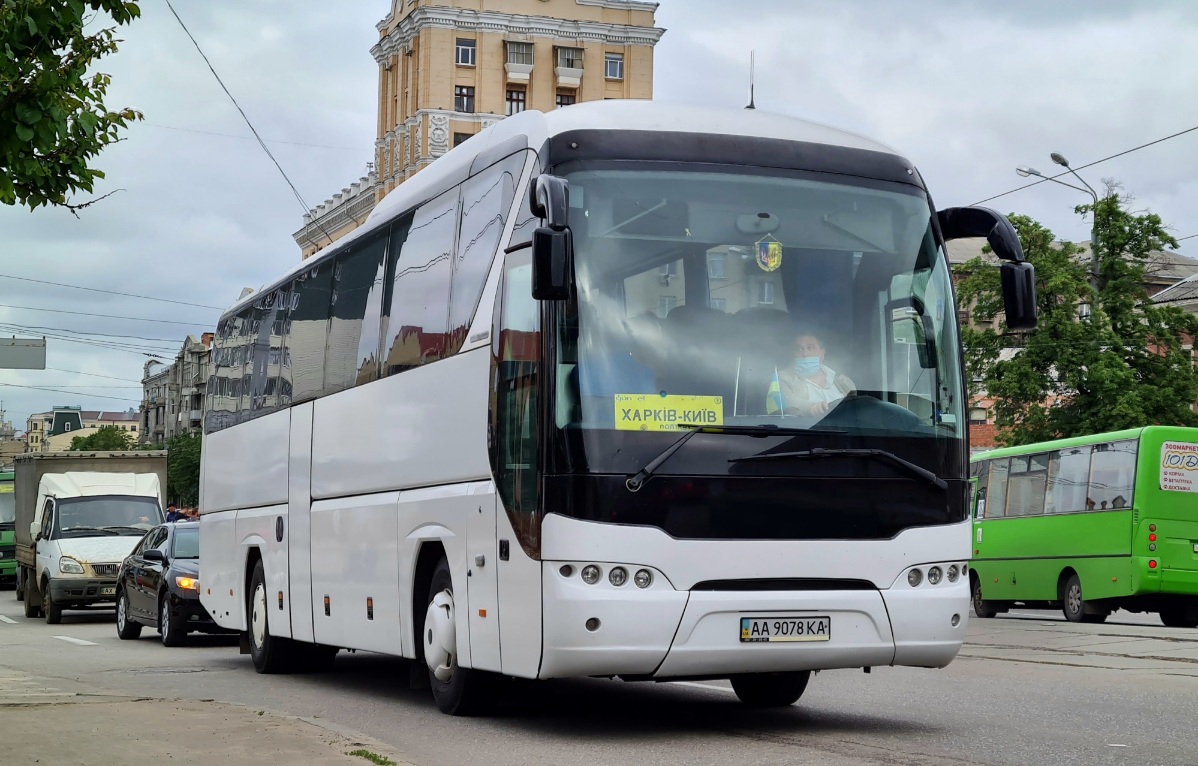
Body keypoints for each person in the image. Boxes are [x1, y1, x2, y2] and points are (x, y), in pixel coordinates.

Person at [775, 330, 855, 417]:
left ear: (822, 353)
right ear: (793, 355)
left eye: (811, 348)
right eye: (799, 349)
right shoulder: (780, 380)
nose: (805, 354)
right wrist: (810, 408)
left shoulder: (844, 382)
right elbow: (789, 406)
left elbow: (856, 410)